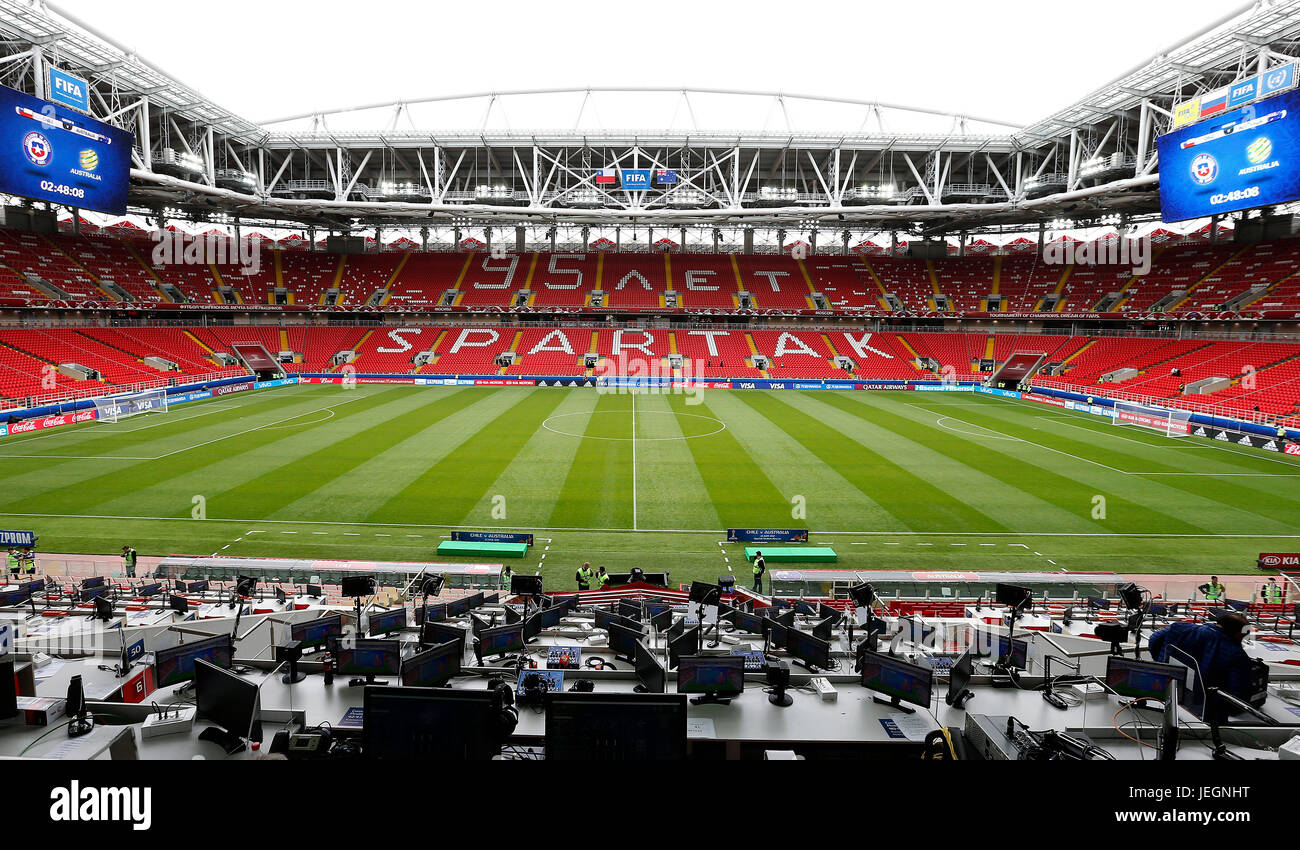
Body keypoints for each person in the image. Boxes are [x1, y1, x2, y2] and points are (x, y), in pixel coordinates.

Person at [1147, 613, 1255, 719]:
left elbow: (1154, 640)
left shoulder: (1179, 627)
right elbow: (1238, 699)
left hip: (1163, 693)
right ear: (1238, 634)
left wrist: (1162, 663)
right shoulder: (1237, 654)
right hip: (1202, 713)